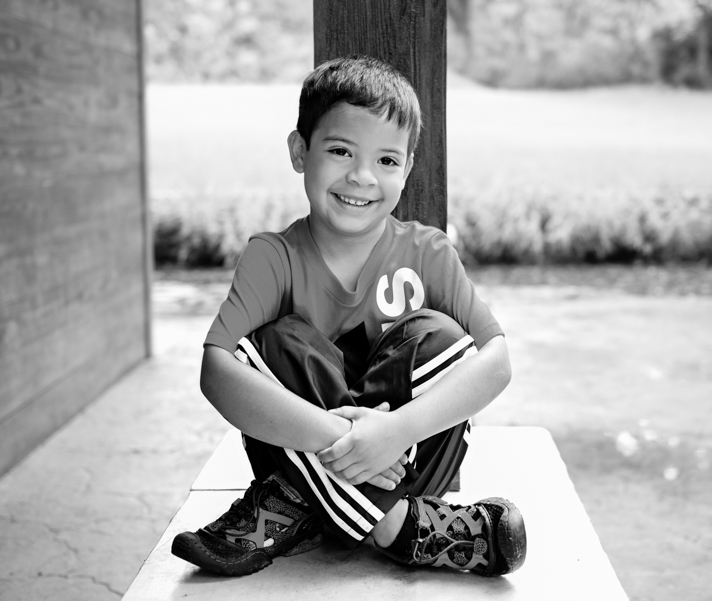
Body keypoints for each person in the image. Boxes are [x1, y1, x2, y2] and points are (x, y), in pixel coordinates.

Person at [170, 55, 526, 578]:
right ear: (300, 152)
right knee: (279, 342)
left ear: (407, 168)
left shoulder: (427, 252)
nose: (361, 176)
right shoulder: (274, 258)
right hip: (304, 459)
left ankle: (301, 511)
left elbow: (497, 362)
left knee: (442, 338)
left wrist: (392, 432)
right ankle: (403, 529)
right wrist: (340, 441)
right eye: (340, 151)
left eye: (386, 160)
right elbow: (216, 372)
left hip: (397, 465)